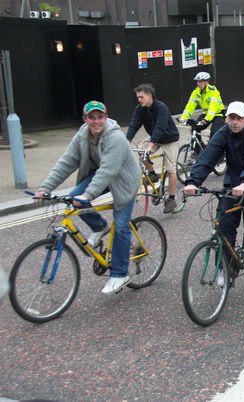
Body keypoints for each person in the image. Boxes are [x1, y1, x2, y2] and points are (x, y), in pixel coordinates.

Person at [35, 101, 141, 294]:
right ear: (85, 119)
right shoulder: (83, 134)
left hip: (124, 181)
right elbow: (67, 162)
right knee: (73, 198)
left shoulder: (115, 136)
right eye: (91, 117)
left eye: (100, 117)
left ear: (106, 117)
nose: (96, 121)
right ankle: (100, 226)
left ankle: (120, 274)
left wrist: (88, 195)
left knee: (122, 225)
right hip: (100, 175)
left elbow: (108, 171)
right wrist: (45, 188)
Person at [184, 102, 244, 276]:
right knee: (225, 222)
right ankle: (225, 268)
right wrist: (193, 181)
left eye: (238, 118)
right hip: (235, 179)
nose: (234, 122)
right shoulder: (224, 132)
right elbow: (208, 156)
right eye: (231, 118)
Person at [126, 83, 180, 213]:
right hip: (155, 139)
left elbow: (160, 126)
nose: (139, 100)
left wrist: (152, 142)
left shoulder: (161, 107)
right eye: (138, 97)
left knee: (171, 170)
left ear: (150, 95)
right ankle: (152, 173)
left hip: (169, 140)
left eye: (141, 97)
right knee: (141, 150)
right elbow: (134, 125)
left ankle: (171, 199)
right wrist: (126, 141)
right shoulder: (139, 109)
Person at [178, 72, 226, 137]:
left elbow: (213, 107)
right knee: (195, 128)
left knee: (214, 133)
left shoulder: (213, 91)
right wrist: (184, 117)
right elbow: (190, 106)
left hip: (218, 114)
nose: (199, 84)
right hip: (206, 114)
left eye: (201, 82)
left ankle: (214, 146)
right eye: (197, 81)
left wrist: (207, 119)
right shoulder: (196, 92)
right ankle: (197, 146)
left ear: (206, 82)